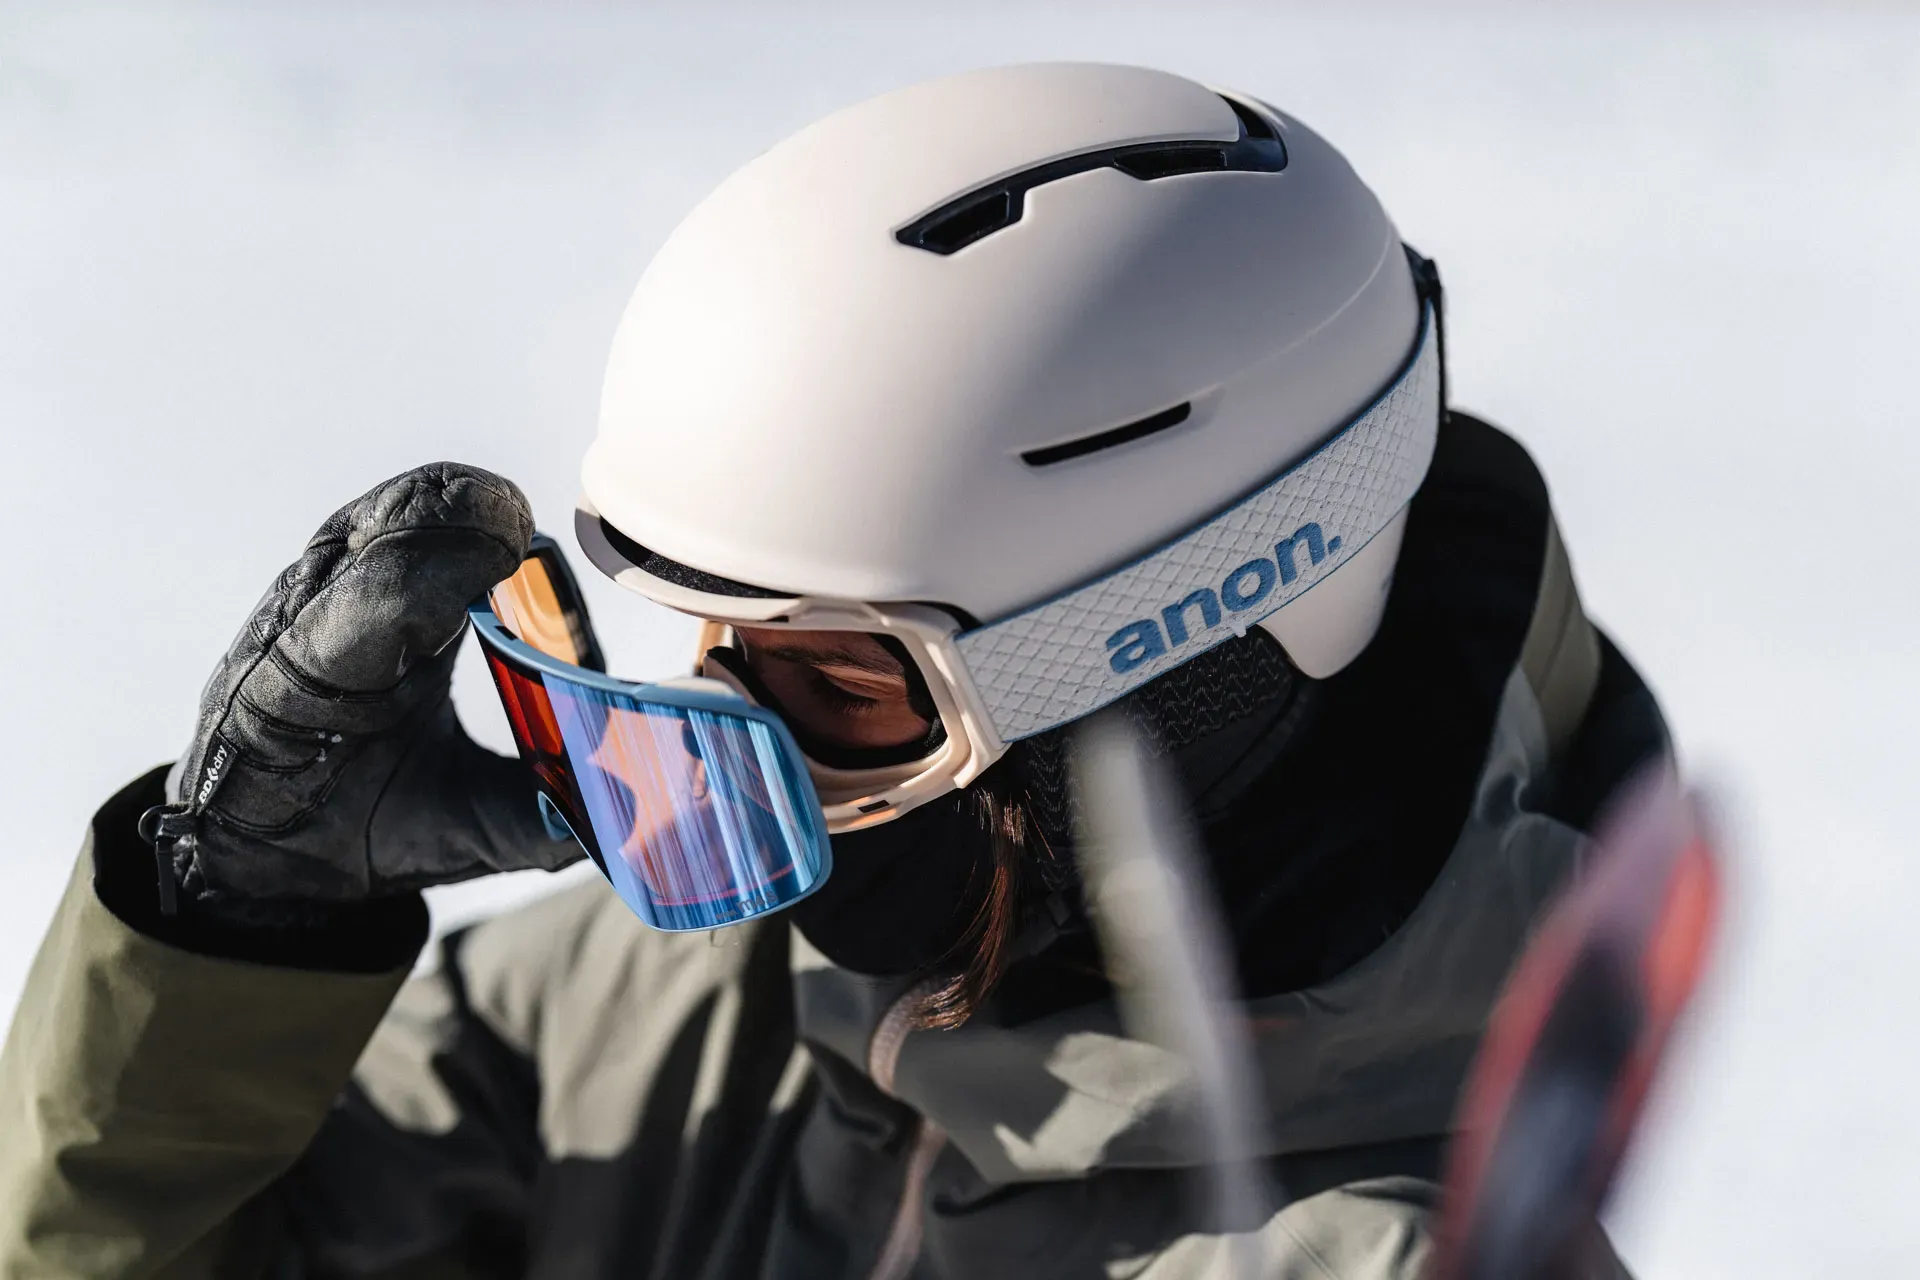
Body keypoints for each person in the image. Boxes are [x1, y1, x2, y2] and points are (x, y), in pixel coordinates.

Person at [0, 64, 1665, 1278]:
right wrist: (230, 962)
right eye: (710, 649)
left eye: (845, 694)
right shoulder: (665, 1020)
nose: (724, 771)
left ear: (1190, 671)